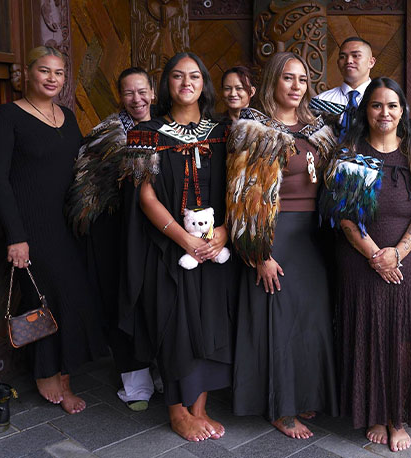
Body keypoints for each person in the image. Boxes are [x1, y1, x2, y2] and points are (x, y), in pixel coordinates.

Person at [0, 46, 109, 415]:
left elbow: (79, 169)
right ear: (26, 74)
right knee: (46, 300)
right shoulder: (5, 118)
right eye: (44, 71)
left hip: (67, 226)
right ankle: (49, 376)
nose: (52, 78)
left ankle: (59, 372)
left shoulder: (66, 117)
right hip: (31, 229)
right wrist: (16, 236)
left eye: (59, 73)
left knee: (72, 299)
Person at [122, 52, 239, 442]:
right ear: (165, 84)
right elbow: (147, 197)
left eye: (194, 76)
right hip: (168, 247)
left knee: (209, 324)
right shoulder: (147, 133)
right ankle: (176, 410)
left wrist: (224, 232)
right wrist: (184, 239)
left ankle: (200, 407)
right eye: (176, 76)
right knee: (175, 326)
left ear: (204, 83)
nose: (186, 82)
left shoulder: (224, 131)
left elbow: (240, 189)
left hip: (216, 247)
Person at [323, 77, 411, 452]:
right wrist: (375, 255)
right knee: (366, 333)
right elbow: (343, 217)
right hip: (359, 260)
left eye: (392, 105)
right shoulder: (348, 152)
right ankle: (373, 412)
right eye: (376, 105)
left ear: (403, 111)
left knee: (402, 335)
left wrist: (397, 253)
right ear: (365, 111)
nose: (385, 112)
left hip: (407, 263)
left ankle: (397, 417)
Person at [226, 52, 339, 439]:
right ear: (273, 81)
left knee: (310, 321)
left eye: (302, 80)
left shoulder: (319, 129)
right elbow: (242, 197)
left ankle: (303, 393)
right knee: (279, 325)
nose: (296, 86)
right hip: (274, 236)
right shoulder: (252, 129)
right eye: (288, 78)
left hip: (313, 236)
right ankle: (279, 406)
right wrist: (259, 254)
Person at [65, 67, 158, 412]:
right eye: (129, 93)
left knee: (155, 300)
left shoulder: (166, 127)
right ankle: (136, 383)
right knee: (124, 300)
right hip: (115, 231)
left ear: (153, 93)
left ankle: (158, 370)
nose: (137, 99)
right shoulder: (106, 134)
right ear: (120, 96)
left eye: (142, 91)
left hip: (157, 230)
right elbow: (86, 184)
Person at [312, 37, 376, 140]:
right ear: (338, 62)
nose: (349, 61)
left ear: (371, 62)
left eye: (356, 56)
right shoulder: (321, 102)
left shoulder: (384, 100)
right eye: (343, 57)